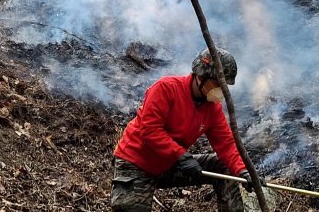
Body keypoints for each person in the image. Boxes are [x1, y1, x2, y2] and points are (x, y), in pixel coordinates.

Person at [112, 48, 263, 212]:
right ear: (201, 76)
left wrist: (243, 172)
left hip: (170, 164)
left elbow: (226, 144)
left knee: (223, 165)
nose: (221, 89)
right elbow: (149, 130)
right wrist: (180, 155)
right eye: (218, 83)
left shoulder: (212, 108)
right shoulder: (166, 88)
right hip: (136, 164)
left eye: (224, 85)